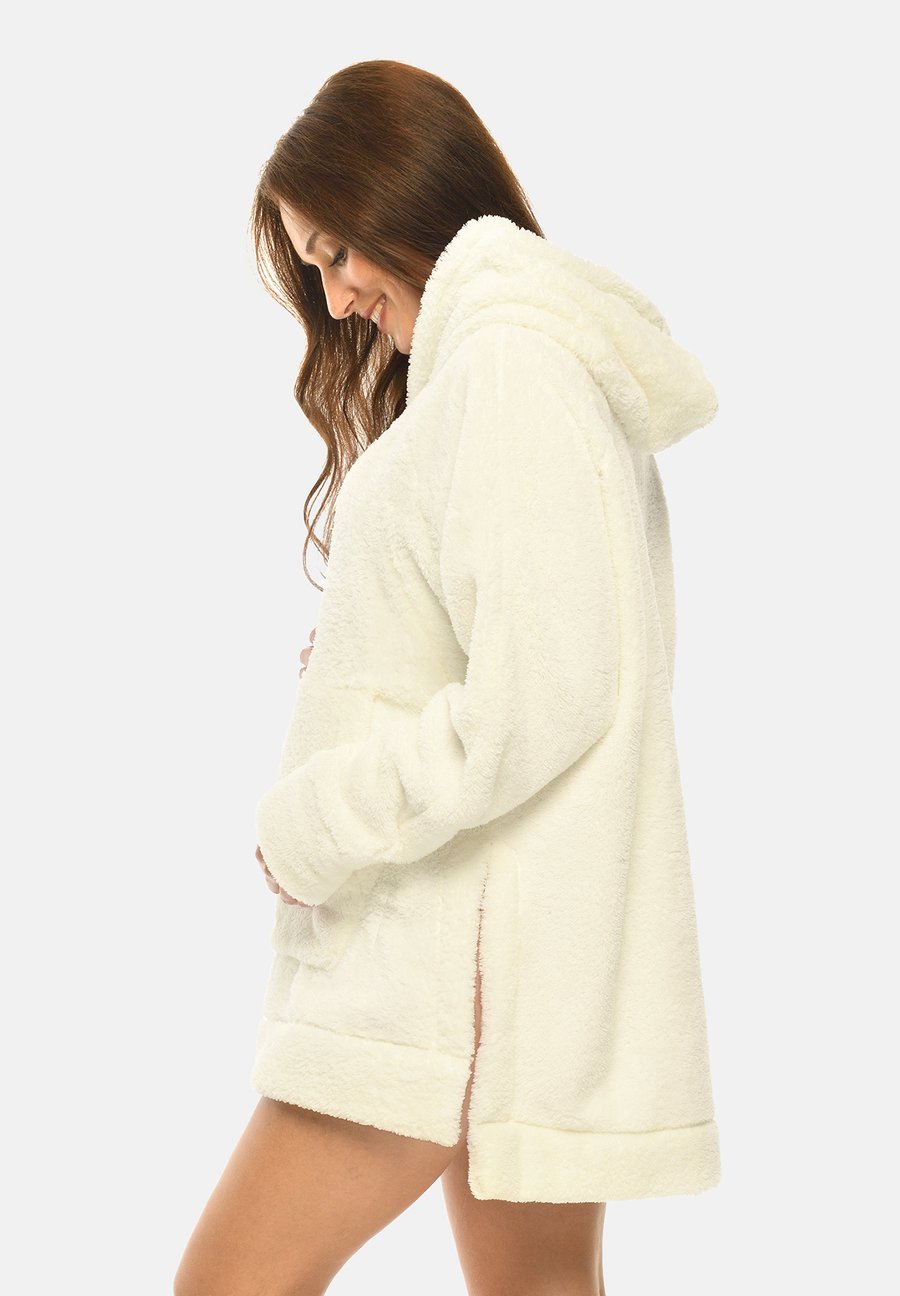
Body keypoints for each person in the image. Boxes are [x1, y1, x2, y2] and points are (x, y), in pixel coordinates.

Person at [175, 58, 721, 1296]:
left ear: (400, 193)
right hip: (515, 967)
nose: (335, 295)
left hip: (443, 975)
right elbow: (543, 649)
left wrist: (311, 826)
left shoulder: (511, 365)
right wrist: (372, 646)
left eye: (335, 251)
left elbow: (541, 696)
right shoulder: (528, 362)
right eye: (314, 267)